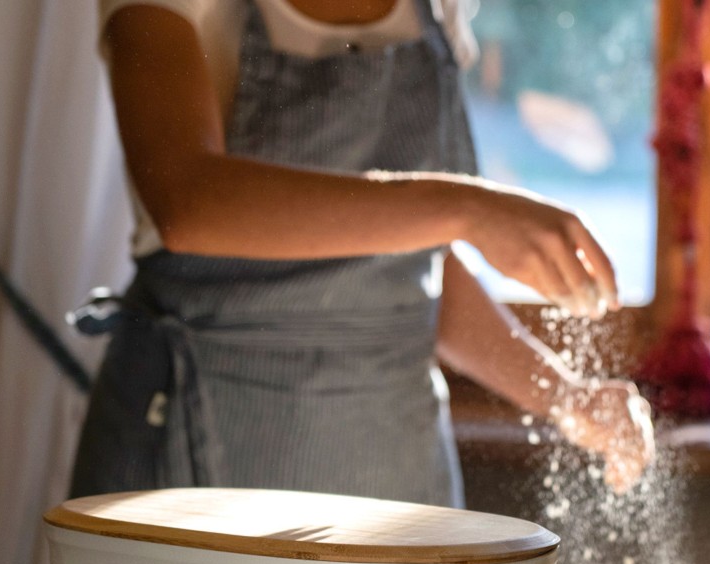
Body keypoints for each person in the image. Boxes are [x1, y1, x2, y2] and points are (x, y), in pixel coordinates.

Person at [65, 0, 653, 515]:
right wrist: (469, 209)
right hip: (197, 450)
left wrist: (563, 396)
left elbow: (409, 271)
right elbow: (187, 201)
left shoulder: (437, 11)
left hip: (390, 468)